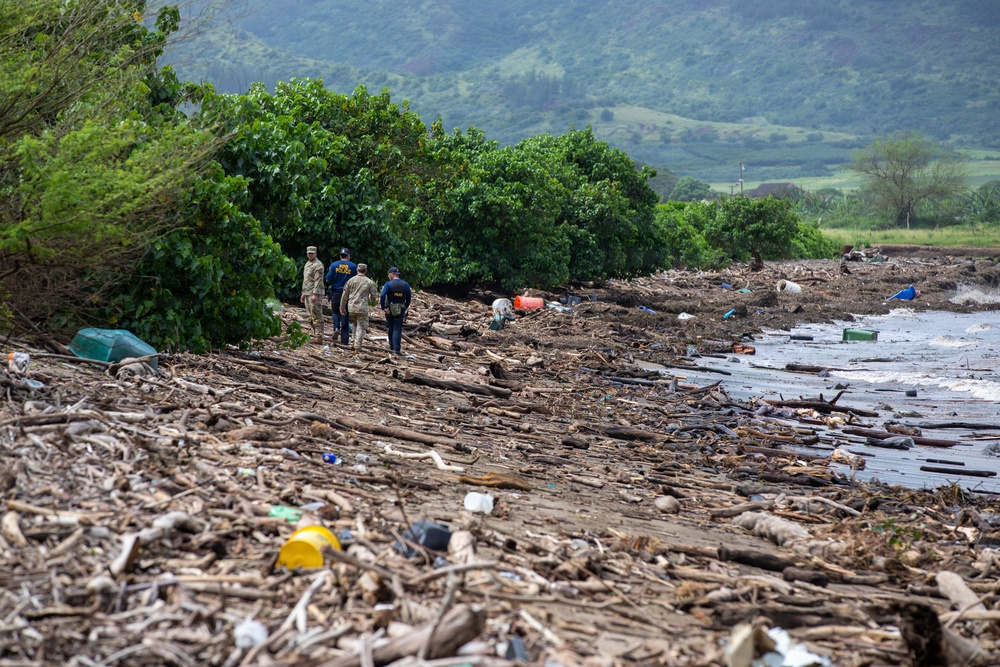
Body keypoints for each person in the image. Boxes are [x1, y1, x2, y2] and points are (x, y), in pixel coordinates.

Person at [340, 263, 379, 359]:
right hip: (362, 307)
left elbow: (344, 295)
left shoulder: (350, 280)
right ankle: (357, 347)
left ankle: (353, 342)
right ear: (366, 271)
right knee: (361, 327)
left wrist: (342, 306)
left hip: (351, 307)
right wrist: (369, 299)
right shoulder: (370, 282)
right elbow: (374, 298)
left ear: (357, 270)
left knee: (354, 324)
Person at [325, 248, 357, 345]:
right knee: (345, 314)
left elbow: (327, 280)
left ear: (340, 256)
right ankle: (344, 340)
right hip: (348, 294)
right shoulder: (353, 266)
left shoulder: (334, 265)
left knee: (335, 312)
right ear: (349, 256)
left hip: (336, 292)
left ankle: (336, 328)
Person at [380, 266, 411, 355]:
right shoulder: (405, 284)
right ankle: (396, 349)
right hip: (401, 307)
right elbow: (409, 298)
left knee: (390, 326)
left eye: (389, 274)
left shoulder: (388, 284)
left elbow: (382, 295)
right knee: (397, 327)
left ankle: (391, 346)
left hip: (390, 307)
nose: (388, 276)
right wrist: (405, 306)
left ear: (392, 274)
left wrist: (383, 307)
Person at [300, 246, 325, 340]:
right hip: (307, 291)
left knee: (316, 313)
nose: (310, 255)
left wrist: (315, 294)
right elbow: (306, 279)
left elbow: (318, 280)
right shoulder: (307, 264)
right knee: (309, 315)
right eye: (309, 253)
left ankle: (319, 336)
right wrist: (303, 293)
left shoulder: (318, 265)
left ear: (316, 254)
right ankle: (315, 333)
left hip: (314, 292)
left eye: (312, 253)